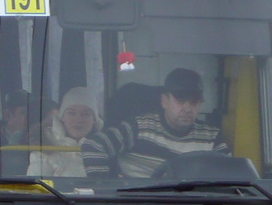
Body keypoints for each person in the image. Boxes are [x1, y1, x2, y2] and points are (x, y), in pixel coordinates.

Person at [81, 68, 228, 178]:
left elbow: (227, 177)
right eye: (180, 101)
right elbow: (94, 146)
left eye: (194, 102)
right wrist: (106, 191)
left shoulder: (213, 139)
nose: (188, 108)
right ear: (164, 100)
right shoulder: (137, 128)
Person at [27, 87, 101, 177]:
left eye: (86, 114)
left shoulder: (107, 146)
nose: (78, 119)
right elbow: (37, 186)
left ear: (94, 119)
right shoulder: (45, 147)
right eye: (72, 113)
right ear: (62, 117)